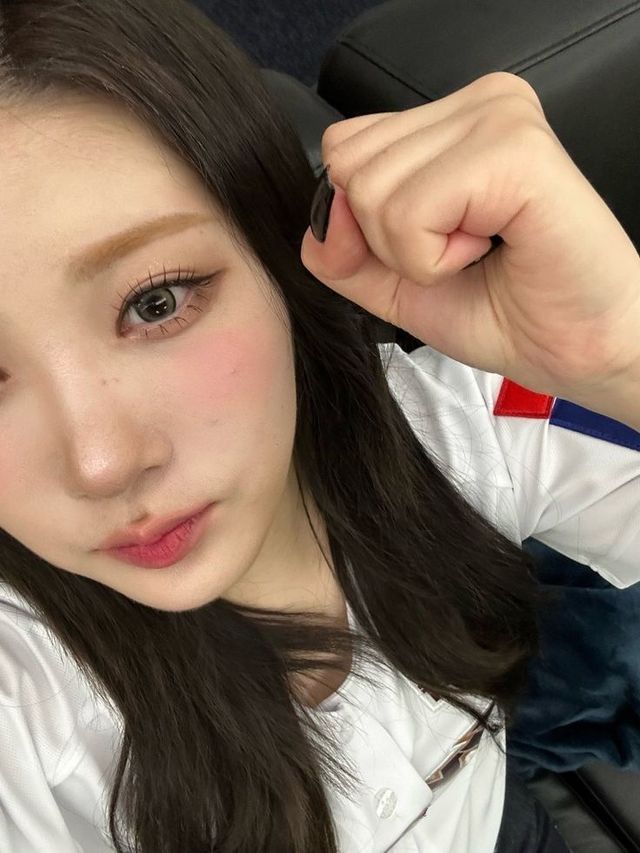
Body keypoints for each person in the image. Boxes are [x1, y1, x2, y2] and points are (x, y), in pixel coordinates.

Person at [0, 1, 637, 852]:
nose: (102, 462)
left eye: (155, 301)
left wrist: (621, 350)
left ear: (277, 256)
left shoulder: (449, 427)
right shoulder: (23, 696)